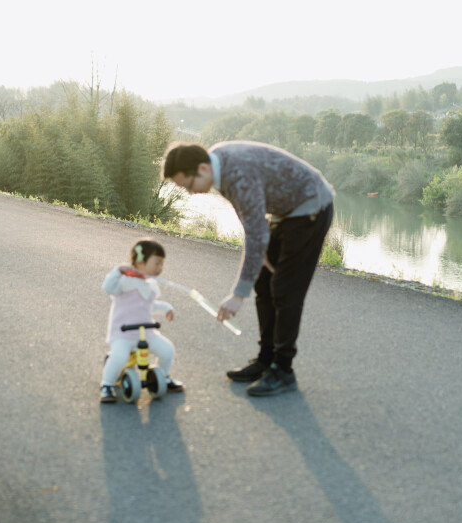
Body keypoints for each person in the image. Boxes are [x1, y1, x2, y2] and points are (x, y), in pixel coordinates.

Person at [162, 141, 334, 397]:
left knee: (285, 288)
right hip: (283, 212)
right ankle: (266, 359)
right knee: (263, 282)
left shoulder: (236, 172)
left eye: (187, 185)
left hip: (311, 206)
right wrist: (260, 250)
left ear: (202, 168)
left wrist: (237, 295)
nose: (189, 192)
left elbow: (255, 232)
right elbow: (247, 215)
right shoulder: (218, 164)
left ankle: (283, 370)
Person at [100, 239, 184, 403]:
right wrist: (118, 271)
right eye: (157, 263)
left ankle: (164, 377)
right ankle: (107, 385)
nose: (160, 268)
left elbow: (149, 306)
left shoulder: (150, 284)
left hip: (146, 333)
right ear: (140, 260)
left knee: (167, 350)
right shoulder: (124, 282)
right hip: (123, 333)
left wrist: (166, 308)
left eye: (162, 264)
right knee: (119, 357)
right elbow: (108, 288)